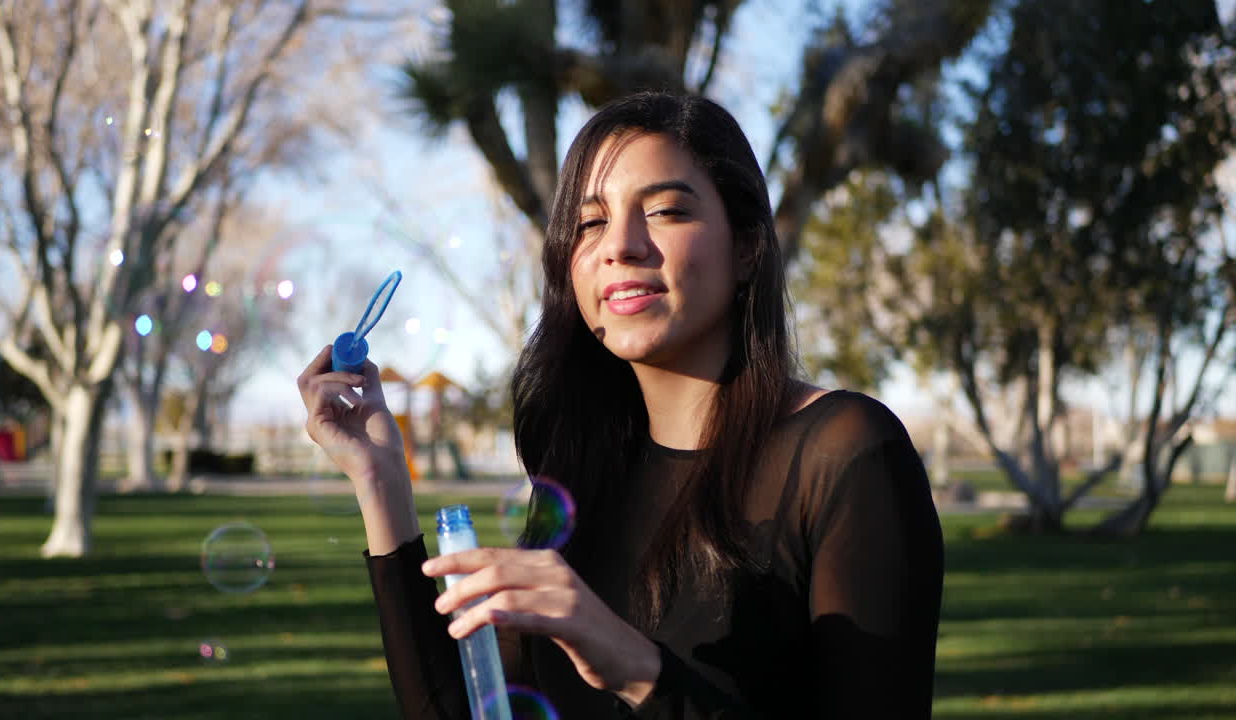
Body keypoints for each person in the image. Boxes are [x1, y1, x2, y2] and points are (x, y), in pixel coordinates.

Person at [297, 91, 944, 720]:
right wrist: (381, 480)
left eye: (665, 211)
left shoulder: (844, 455)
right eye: (591, 222)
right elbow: (461, 710)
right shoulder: (588, 463)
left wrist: (636, 667)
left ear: (747, 246)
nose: (621, 245)